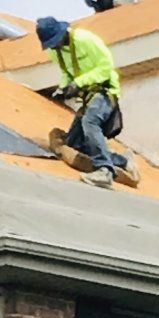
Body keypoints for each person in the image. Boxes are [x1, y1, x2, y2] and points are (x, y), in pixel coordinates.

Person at [37, 17, 137, 190]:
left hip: (104, 91)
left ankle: (104, 171)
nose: (54, 46)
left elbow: (106, 67)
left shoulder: (85, 39)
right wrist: (64, 87)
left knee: (90, 121)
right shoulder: (55, 51)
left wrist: (80, 83)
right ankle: (122, 161)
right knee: (75, 145)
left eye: (55, 41)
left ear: (62, 33)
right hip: (86, 95)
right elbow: (66, 73)